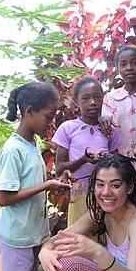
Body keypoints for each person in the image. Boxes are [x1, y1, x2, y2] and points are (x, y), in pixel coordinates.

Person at [0, 82, 71, 271]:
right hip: (16, 237)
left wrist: (55, 180)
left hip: (32, 233)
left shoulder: (32, 144)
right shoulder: (13, 149)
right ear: (29, 112)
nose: (50, 123)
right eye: (48, 117)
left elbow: (31, 183)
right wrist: (46, 186)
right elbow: (4, 198)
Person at [52, 77, 122, 226]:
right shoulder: (68, 128)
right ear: (76, 102)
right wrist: (83, 160)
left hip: (106, 195)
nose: (93, 102)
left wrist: (107, 160)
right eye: (86, 98)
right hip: (79, 195)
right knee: (79, 239)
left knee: (104, 238)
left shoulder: (110, 130)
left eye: (97, 97)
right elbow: (59, 169)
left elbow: (119, 167)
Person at [101, 45, 136, 201]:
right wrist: (102, 120)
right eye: (123, 64)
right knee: (126, 203)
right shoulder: (110, 98)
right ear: (118, 69)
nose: (129, 68)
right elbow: (107, 127)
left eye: (134, 63)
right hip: (123, 162)